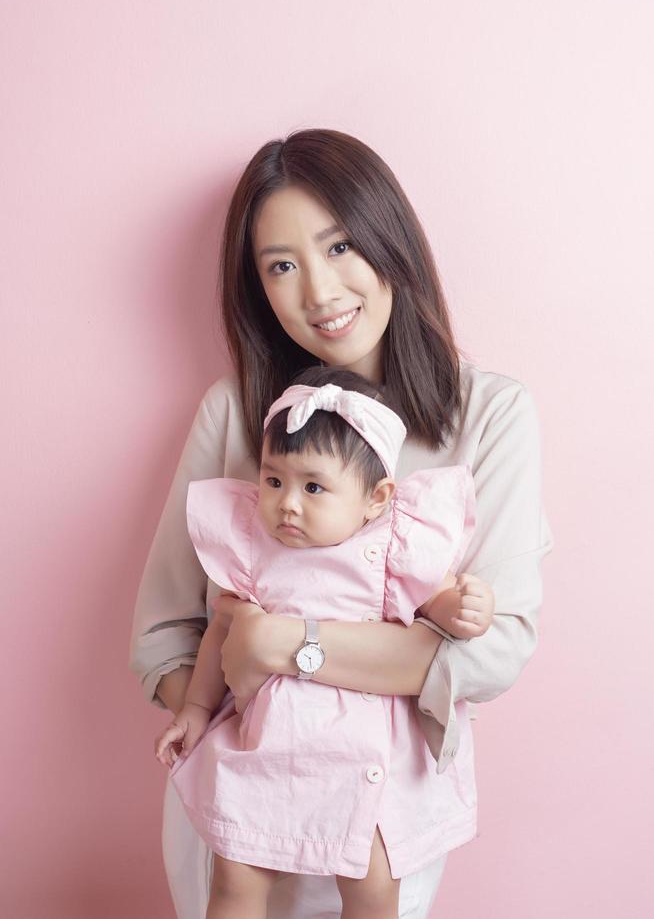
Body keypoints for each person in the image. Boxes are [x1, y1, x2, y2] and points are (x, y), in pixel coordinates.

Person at [129, 127, 553, 919]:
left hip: (384, 824)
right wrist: (246, 733)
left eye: (341, 246)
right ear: (257, 289)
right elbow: (164, 636)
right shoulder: (237, 413)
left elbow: (487, 653)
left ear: (392, 243)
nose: (319, 292)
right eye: (281, 266)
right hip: (241, 821)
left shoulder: (490, 417)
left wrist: (283, 646)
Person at [154, 368, 494, 919]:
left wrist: (463, 606)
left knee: (373, 884)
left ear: (376, 499)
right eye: (273, 481)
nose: (288, 504)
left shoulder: (392, 548)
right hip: (269, 746)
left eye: (313, 487)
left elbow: (434, 603)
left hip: (364, 755)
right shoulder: (251, 545)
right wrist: (194, 708)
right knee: (236, 879)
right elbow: (222, 629)